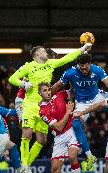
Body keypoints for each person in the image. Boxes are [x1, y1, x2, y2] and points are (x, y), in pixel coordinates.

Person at [8, 43, 92, 172]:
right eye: (43, 51)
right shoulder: (28, 66)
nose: (46, 53)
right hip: (29, 105)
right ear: (37, 54)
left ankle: (26, 166)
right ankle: (24, 165)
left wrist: (81, 49)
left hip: (43, 107)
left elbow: (67, 58)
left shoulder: (50, 63)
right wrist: (23, 84)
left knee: (41, 140)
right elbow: (12, 78)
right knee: (27, 134)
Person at [52, 53, 108, 170]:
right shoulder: (70, 72)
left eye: (86, 67)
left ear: (90, 64)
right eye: (81, 68)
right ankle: (90, 156)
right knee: (75, 123)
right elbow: (57, 86)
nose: (84, 70)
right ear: (78, 65)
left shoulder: (97, 70)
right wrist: (44, 99)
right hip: (82, 103)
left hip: (98, 97)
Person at [38, 82, 81, 173]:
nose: (48, 92)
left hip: (71, 130)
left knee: (72, 156)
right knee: (55, 169)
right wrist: (68, 111)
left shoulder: (59, 94)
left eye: (49, 89)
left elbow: (73, 92)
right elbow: (59, 127)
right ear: (40, 93)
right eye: (44, 91)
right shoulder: (42, 111)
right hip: (59, 136)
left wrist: (72, 81)